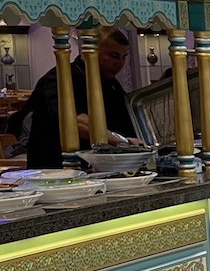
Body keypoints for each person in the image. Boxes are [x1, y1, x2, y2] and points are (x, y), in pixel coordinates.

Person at [24, 28, 139, 169]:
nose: (119, 63)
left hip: (99, 169)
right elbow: (73, 121)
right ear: (91, 51)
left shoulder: (111, 84)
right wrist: (121, 141)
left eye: (124, 57)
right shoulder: (59, 78)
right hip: (54, 168)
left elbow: (128, 119)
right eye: (113, 55)